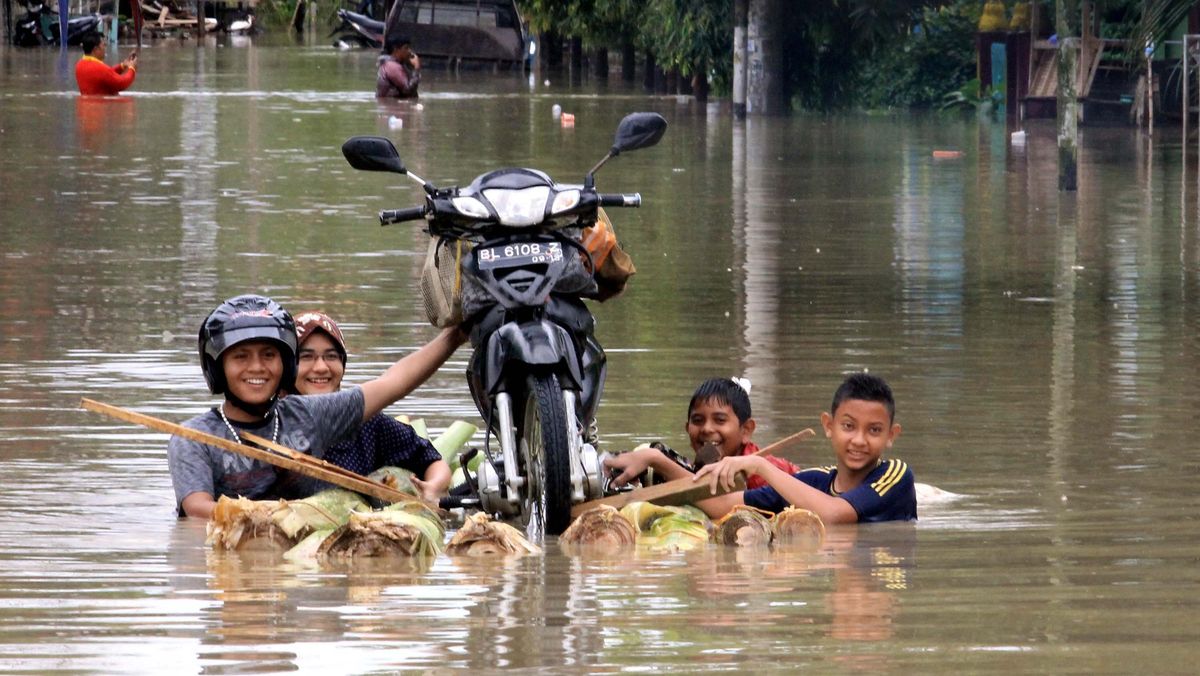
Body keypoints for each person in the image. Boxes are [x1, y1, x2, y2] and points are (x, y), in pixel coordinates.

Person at [167, 294, 464, 519]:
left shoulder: (307, 415)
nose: (256, 367)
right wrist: (291, 513)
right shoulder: (193, 437)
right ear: (217, 368)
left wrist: (456, 335)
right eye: (241, 357)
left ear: (285, 365)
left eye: (269, 355)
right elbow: (197, 511)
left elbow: (393, 382)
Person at [604, 373, 916, 525]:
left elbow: (835, 515)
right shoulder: (813, 481)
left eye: (874, 431)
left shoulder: (894, 475)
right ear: (828, 426)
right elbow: (720, 506)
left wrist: (760, 466)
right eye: (849, 426)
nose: (859, 440)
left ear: (891, 435)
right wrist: (657, 459)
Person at [281, 311, 451, 501]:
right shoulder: (274, 422)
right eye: (306, 357)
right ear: (286, 367)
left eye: (331, 356)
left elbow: (431, 459)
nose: (321, 367)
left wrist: (434, 488)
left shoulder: (366, 422)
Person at [632, 378, 799, 490]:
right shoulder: (695, 469)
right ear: (687, 428)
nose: (707, 429)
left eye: (720, 420)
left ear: (746, 430)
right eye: (697, 420)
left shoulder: (767, 474)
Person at [376, 34, 420, 98]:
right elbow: (408, 90)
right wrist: (417, 68)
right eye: (406, 48)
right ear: (396, 49)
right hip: (391, 106)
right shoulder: (392, 66)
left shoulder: (396, 64)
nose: (410, 51)